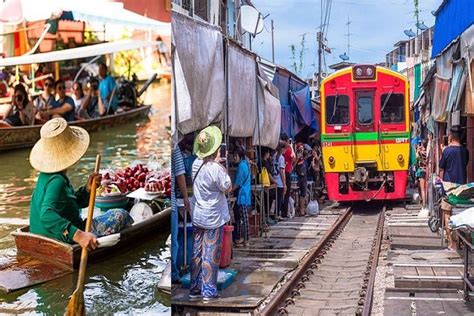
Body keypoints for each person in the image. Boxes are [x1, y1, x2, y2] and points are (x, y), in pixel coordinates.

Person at [29, 118, 133, 249]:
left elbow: (70, 203)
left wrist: (87, 190)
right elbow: (46, 215)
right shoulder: (57, 181)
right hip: (59, 238)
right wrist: (79, 235)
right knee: (120, 214)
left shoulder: (47, 176)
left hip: (46, 234)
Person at [189, 126, 231, 301]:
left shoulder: (195, 164)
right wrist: (222, 166)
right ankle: (208, 292)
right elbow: (227, 187)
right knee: (210, 254)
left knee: (197, 253)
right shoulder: (216, 169)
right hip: (213, 217)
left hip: (198, 214)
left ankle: (194, 289)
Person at [171, 145, 190, 284]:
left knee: (173, 242)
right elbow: (180, 174)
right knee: (174, 242)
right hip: (171, 203)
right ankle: (173, 274)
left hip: (169, 202)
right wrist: (185, 197)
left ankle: (173, 272)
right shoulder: (174, 147)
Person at [232, 146, 251, 247]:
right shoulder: (244, 164)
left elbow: (237, 183)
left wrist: (229, 190)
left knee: (243, 218)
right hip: (244, 194)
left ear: (240, 156)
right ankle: (241, 238)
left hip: (242, 195)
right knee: (240, 218)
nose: (234, 158)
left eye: (235, 156)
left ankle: (246, 239)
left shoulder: (241, 166)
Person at [281, 133, 296, 218]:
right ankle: (285, 212)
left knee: (284, 193)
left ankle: (284, 211)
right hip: (287, 172)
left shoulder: (281, 151)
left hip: (285, 172)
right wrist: (291, 147)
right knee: (286, 194)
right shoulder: (288, 150)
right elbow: (294, 158)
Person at [272, 142, 287, 220]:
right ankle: (277, 214)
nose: (286, 150)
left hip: (274, 179)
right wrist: (284, 184)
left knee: (276, 198)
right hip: (279, 181)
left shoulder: (274, 156)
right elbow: (282, 171)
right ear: (282, 149)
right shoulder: (281, 157)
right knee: (279, 199)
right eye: (285, 148)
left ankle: (275, 214)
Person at [295, 143, 308, 216]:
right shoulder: (297, 156)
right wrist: (297, 158)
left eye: (302, 148)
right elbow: (293, 166)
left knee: (304, 193)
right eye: (300, 148)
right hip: (300, 176)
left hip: (304, 176)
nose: (302, 149)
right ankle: (301, 210)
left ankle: (303, 209)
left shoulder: (303, 157)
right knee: (302, 193)